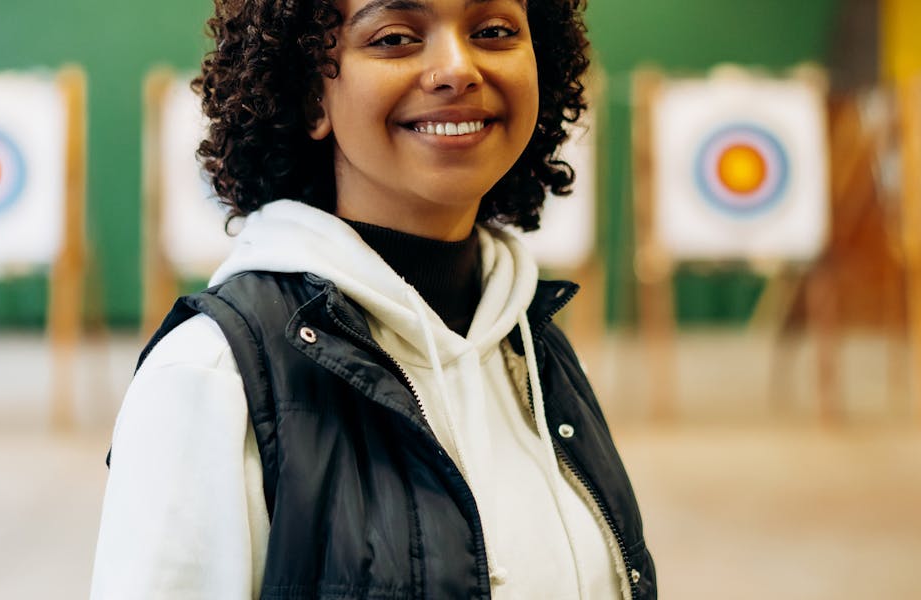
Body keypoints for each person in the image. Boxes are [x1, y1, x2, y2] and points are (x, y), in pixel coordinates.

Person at [90, 0, 655, 597]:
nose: (457, 69)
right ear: (312, 96)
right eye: (394, 38)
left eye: (493, 30)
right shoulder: (212, 375)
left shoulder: (536, 349)